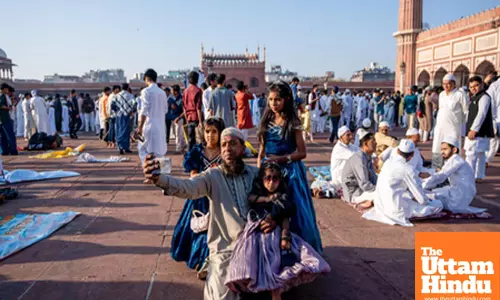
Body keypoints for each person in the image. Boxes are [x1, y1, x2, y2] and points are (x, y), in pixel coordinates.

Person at [144, 127, 279, 300]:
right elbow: (188, 188)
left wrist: (273, 218)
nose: (227, 149)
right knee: (219, 295)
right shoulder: (212, 176)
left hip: (258, 245)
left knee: (276, 283)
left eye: (232, 144)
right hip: (226, 249)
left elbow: (279, 198)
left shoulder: (255, 174)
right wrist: (159, 179)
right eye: (223, 145)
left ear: (242, 148)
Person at [225, 161, 330, 300]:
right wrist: (266, 199)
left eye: (275, 178)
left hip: (274, 234)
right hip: (255, 232)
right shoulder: (258, 195)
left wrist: (285, 235)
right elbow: (251, 200)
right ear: (261, 179)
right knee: (250, 259)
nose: (271, 182)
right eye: (267, 178)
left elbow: (285, 216)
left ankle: (276, 292)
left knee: (275, 261)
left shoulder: (283, 197)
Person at [257, 80, 322, 253]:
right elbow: (261, 151)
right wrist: (260, 169)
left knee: (294, 212)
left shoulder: (293, 123)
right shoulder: (266, 121)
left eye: (277, 99)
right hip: (269, 173)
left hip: (289, 172)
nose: (273, 104)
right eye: (270, 100)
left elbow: (302, 153)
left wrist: (283, 159)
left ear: (286, 99)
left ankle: (296, 251)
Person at [170, 117, 225, 278]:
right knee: (200, 227)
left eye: (214, 132)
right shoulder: (197, 151)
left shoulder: (225, 150)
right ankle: (201, 261)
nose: (210, 136)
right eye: (208, 132)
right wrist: (207, 176)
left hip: (220, 196)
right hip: (200, 196)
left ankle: (216, 260)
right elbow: (193, 174)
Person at [362, 139, 444, 227]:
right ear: (412, 154)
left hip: (381, 204)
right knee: (438, 204)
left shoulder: (389, 162)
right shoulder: (408, 169)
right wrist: (429, 201)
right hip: (395, 209)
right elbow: (421, 199)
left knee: (409, 195)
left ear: (398, 151)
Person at [423, 136, 487, 214]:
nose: (442, 152)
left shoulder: (456, 160)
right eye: (441, 149)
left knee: (427, 198)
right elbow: (440, 173)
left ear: (454, 150)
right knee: (434, 192)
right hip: (457, 191)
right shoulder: (453, 159)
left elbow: (441, 176)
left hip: (459, 197)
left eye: (445, 149)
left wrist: (422, 186)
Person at [432, 74, 468, 168]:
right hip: (440, 126)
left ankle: (455, 169)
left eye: (448, 84)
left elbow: (466, 111)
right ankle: (437, 169)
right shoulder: (441, 94)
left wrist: (463, 127)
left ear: (454, 84)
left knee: (453, 148)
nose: (446, 86)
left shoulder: (460, 94)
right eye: (444, 84)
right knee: (437, 147)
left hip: (453, 127)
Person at [464, 76, 494, 182]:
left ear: (481, 84)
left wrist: (474, 129)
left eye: (476, 85)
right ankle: (479, 176)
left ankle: (468, 177)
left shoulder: (484, 97)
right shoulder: (476, 97)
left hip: (478, 132)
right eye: (471, 87)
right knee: (480, 154)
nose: (474, 88)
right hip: (480, 131)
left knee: (471, 154)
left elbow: (481, 114)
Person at [136, 69, 168, 167]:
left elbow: (144, 110)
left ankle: (149, 173)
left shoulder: (146, 91)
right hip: (161, 126)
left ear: (146, 79)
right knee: (159, 152)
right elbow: (165, 110)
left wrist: (140, 127)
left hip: (149, 125)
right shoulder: (162, 93)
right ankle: (158, 175)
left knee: (143, 150)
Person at [341, 132, 377, 210]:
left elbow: (374, 179)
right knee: (384, 195)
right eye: (372, 141)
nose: (375, 143)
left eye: (375, 141)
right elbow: (364, 184)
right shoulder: (359, 158)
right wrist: (379, 189)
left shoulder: (367, 157)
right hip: (355, 194)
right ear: (365, 144)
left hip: (363, 191)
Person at [329, 126, 359, 190]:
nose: (351, 137)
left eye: (350, 134)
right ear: (341, 137)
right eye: (348, 135)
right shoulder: (338, 148)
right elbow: (355, 156)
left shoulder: (351, 146)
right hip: (339, 178)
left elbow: (362, 152)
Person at [183, 71, 204, 151]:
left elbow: (184, 107)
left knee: (190, 140)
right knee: (199, 140)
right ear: (197, 80)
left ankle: (189, 156)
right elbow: (198, 107)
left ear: (188, 80)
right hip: (196, 117)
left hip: (189, 117)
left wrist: (186, 120)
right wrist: (200, 122)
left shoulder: (185, 91)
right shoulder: (198, 90)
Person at [113, 83, 135, 154]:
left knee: (119, 130)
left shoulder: (116, 96)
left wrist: (118, 112)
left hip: (119, 116)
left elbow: (112, 106)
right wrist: (132, 112)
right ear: (128, 87)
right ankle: (126, 147)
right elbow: (135, 105)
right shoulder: (130, 95)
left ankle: (120, 147)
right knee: (126, 131)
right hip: (127, 115)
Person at [485, 71, 500, 166]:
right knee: (494, 142)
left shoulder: (494, 86)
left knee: (494, 142)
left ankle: (486, 160)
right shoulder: (495, 86)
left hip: (496, 119)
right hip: (497, 119)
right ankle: (485, 160)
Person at [0, 83, 18, 155]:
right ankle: (13, 151)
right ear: (4, 89)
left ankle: (4, 151)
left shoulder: (5, 96)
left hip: (1, 119)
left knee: (2, 136)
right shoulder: (3, 96)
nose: (8, 91)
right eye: (7, 89)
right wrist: (8, 108)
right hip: (5, 118)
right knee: (10, 135)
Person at [170, 85, 186, 153]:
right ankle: (183, 145)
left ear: (175, 91)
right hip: (174, 118)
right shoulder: (173, 99)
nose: (171, 92)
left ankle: (178, 148)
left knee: (178, 134)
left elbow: (184, 110)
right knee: (178, 133)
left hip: (180, 118)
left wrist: (179, 117)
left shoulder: (181, 99)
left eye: (172, 90)